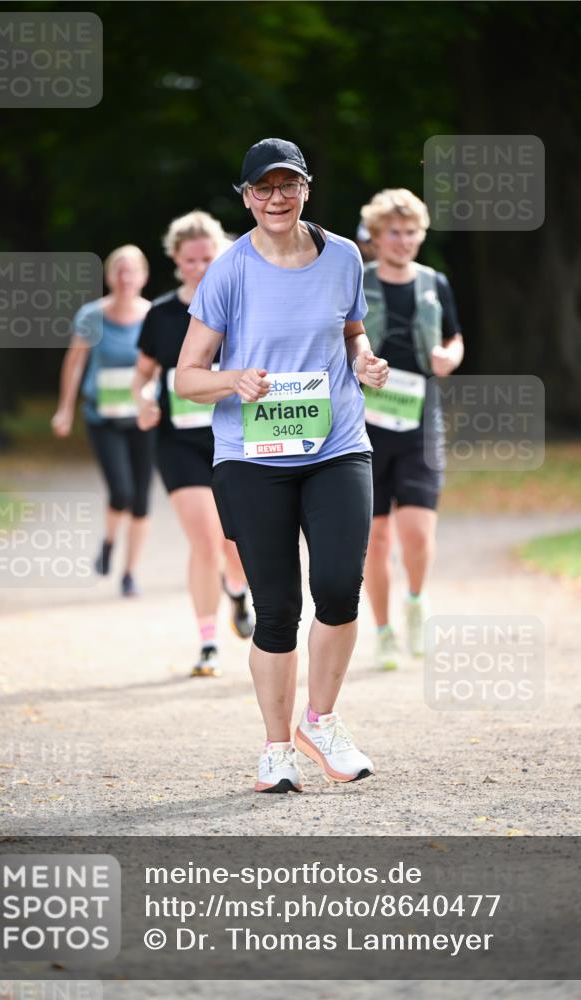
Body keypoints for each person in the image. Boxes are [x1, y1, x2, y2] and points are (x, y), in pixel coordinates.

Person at [175, 138, 389, 793]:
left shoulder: (345, 257)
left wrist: (363, 359)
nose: (276, 198)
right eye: (262, 189)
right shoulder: (230, 271)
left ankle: (319, 721)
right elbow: (187, 378)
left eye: (287, 186)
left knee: (336, 586)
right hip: (252, 456)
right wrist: (233, 379)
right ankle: (275, 748)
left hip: (335, 444)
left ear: (306, 189)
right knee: (275, 608)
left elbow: (351, 328)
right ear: (245, 197)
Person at [133, 211, 255, 678]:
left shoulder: (241, 305)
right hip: (178, 443)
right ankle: (207, 645)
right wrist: (144, 400)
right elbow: (143, 375)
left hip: (236, 435)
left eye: (209, 258)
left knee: (234, 541)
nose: (200, 267)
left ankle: (238, 592)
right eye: (190, 260)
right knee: (204, 540)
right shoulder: (161, 313)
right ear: (176, 260)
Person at [359, 189, 464, 668]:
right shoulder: (357, 283)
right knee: (375, 538)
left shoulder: (433, 283)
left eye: (411, 233)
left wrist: (449, 357)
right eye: (394, 233)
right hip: (364, 423)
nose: (403, 241)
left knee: (417, 533)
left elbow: (453, 336)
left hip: (420, 419)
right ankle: (382, 631)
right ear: (376, 237)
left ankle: (416, 604)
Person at [51, 245, 154, 597]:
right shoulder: (91, 316)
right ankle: (109, 543)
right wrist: (65, 408)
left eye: (132, 271)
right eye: (119, 271)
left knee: (141, 499)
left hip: (142, 417)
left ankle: (129, 573)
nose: (126, 278)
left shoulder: (153, 315)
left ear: (143, 276)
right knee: (121, 492)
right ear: (110, 276)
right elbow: (74, 362)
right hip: (103, 416)